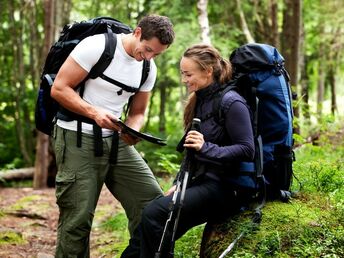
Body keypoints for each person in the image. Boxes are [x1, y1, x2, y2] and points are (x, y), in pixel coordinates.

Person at [50, 14, 175, 257]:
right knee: (78, 218)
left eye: (156, 54)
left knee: (152, 204)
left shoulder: (148, 67)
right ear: (137, 33)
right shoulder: (96, 46)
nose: (149, 57)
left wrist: (134, 128)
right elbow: (59, 89)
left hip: (116, 140)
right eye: (148, 49)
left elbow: (138, 111)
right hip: (76, 136)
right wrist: (94, 112)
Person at [121, 44, 255, 257]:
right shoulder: (201, 100)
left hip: (228, 188)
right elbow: (191, 153)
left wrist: (206, 147)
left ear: (208, 71)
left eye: (188, 74)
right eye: (182, 74)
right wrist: (179, 183)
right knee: (153, 226)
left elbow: (247, 149)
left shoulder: (232, 101)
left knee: (155, 214)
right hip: (202, 182)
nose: (184, 80)